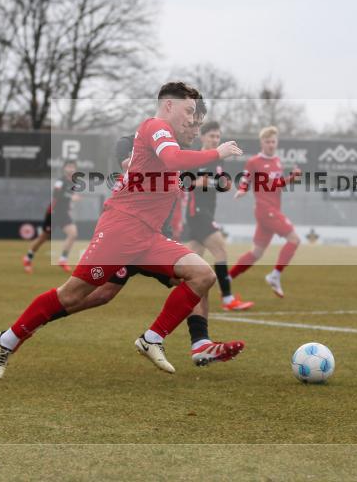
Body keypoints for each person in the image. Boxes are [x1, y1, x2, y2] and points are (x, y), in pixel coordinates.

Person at [0, 82, 244, 379]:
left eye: (196, 116)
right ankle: (7, 340)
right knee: (73, 295)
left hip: (149, 236)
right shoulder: (155, 126)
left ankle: (155, 338)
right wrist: (218, 152)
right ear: (168, 105)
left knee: (202, 275)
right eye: (188, 111)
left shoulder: (173, 144)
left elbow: (173, 165)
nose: (192, 119)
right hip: (121, 229)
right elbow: (172, 159)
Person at [48, 106, 245, 367]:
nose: (190, 125)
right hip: (129, 232)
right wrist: (198, 173)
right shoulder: (132, 142)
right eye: (188, 118)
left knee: (199, 277)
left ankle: (200, 343)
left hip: (157, 236)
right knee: (100, 294)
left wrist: (213, 176)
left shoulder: (180, 149)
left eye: (195, 122)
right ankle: (43, 315)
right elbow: (138, 168)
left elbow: (196, 176)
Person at [186, 120, 253, 311]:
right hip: (197, 212)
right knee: (221, 251)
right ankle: (228, 299)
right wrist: (203, 182)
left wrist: (224, 185)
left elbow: (219, 183)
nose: (215, 140)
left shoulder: (218, 159)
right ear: (202, 137)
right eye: (211, 136)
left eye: (218, 136)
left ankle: (181, 295)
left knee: (191, 261)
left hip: (207, 212)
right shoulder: (194, 157)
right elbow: (184, 183)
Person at [228, 126, 301, 298]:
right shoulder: (254, 161)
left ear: (277, 142)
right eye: (267, 141)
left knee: (256, 253)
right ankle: (275, 276)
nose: (270, 144)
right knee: (294, 239)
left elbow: (275, 185)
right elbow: (246, 178)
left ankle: (228, 277)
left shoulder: (277, 161)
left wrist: (291, 178)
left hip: (272, 210)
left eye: (273, 141)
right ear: (262, 142)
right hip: (264, 209)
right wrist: (243, 189)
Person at [23, 160, 81, 274]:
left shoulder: (73, 183)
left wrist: (70, 205)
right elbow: (56, 195)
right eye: (68, 167)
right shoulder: (60, 181)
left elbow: (68, 198)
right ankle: (27, 259)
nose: (71, 169)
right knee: (43, 238)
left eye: (73, 167)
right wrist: (71, 198)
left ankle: (63, 260)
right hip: (53, 213)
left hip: (64, 213)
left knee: (73, 234)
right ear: (64, 168)